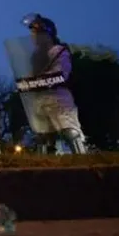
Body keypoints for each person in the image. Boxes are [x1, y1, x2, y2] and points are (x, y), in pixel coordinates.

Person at [22, 13, 87, 154]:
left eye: (36, 33)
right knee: (42, 136)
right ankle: (43, 167)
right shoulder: (36, 55)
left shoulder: (58, 50)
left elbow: (61, 73)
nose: (33, 37)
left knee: (70, 131)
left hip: (58, 96)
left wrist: (36, 81)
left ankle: (83, 161)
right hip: (40, 98)